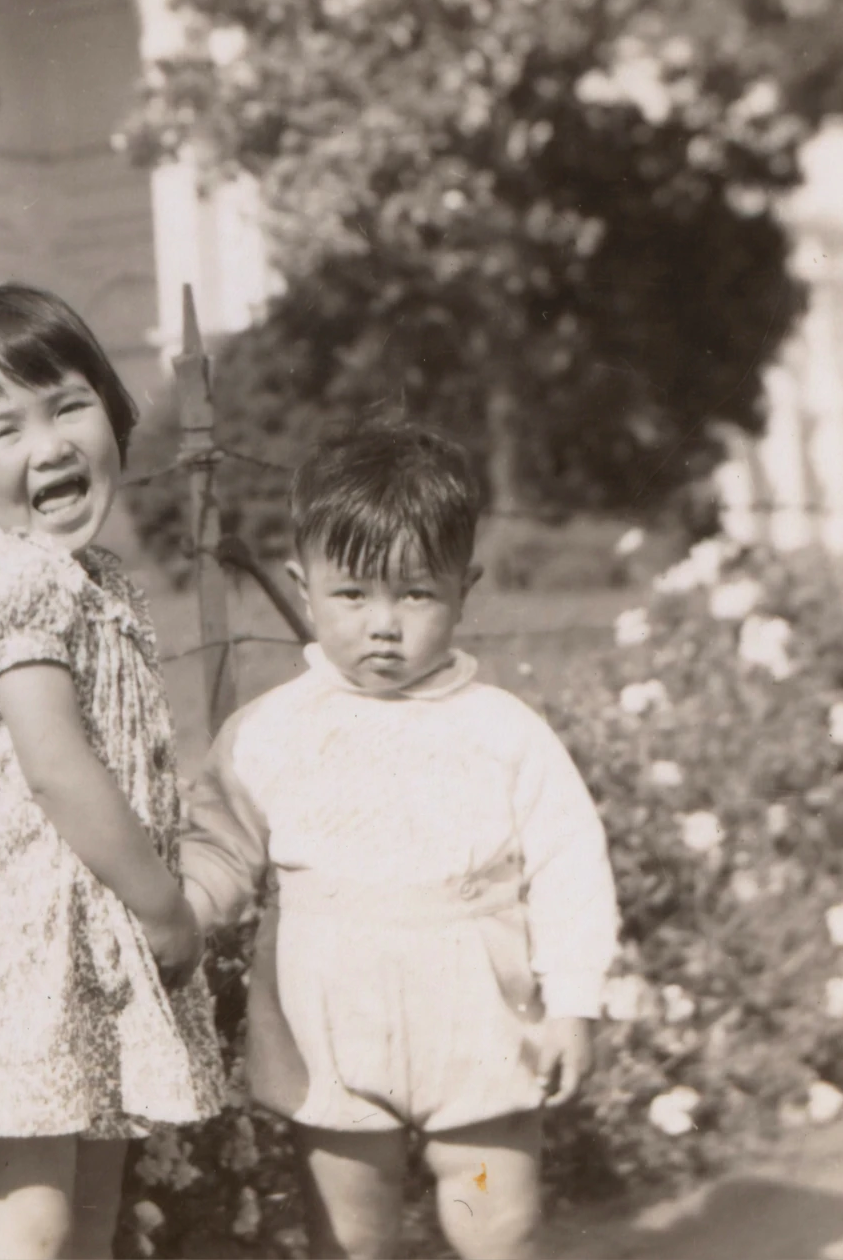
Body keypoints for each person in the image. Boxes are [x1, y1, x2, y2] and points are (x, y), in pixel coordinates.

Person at [180, 425, 619, 1260]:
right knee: (349, 1236)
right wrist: (181, 909)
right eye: (352, 595)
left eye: (414, 594)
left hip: (478, 1026)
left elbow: (569, 863)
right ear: (301, 588)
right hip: (330, 1032)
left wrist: (572, 1000)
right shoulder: (269, 732)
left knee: (495, 1217)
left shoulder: (501, 731)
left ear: (464, 589)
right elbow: (221, 846)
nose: (382, 625)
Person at [0, 285, 222, 1260]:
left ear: (110, 412)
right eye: (2, 428)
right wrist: (163, 905)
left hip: (80, 946)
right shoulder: (4, 575)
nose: (49, 443)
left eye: (68, 405)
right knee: (30, 1224)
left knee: (87, 1219)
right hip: (16, 955)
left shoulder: (89, 579)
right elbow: (56, 763)